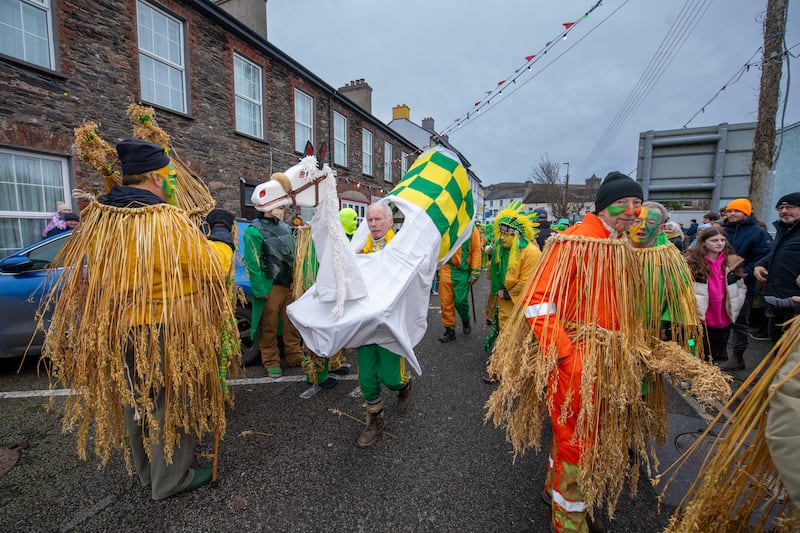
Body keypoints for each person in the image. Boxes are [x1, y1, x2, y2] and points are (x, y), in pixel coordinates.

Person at [41, 138, 237, 500]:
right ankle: (171, 480)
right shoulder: (162, 221)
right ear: (158, 179)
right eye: (171, 176)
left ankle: (148, 471)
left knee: (138, 399)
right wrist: (222, 233)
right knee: (171, 401)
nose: (174, 183)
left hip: (118, 326)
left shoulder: (101, 220)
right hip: (165, 326)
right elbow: (211, 267)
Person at [486, 171, 645, 532]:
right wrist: (565, 355)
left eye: (638, 204)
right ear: (604, 207)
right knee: (578, 440)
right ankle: (571, 521)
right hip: (577, 363)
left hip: (607, 361)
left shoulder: (617, 244)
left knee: (577, 434)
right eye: (625, 204)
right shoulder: (572, 243)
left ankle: (556, 493)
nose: (634, 211)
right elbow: (538, 302)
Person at [355, 202, 413, 448]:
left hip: (390, 323)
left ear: (390, 222)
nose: (373, 224)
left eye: (378, 219)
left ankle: (405, 384)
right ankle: (375, 420)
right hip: (365, 321)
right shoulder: (358, 248)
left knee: (391, 378)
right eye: (369, 220)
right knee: (367, 377)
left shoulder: (401, 249)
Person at [243, 183, 306, 378]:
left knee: (291, 323)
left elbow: (294, 254)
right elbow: (253, 263)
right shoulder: (253, 230)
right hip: (270, 285)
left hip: (289, 283)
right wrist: (260, 288)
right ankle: (270, 360)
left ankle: (294, 354)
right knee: (268, 325)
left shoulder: (286, 228)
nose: (283, 209)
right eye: (280, 206)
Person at [483, 202, 541, 382]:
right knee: (504, 334)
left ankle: (503, 368)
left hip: (521, 302)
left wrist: (508, 294)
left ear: (517, 234)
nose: (502, 237)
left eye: (506, 234)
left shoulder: (531, 252)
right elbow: (496, 271)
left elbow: (528, 280)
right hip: (504, 302)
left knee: (515, 335)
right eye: (501, 233)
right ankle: (504, 366)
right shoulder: (501, 247)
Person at [720, 198, 772, 371]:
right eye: (730, 211)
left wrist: (743, 274)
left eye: (737, 211)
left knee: (739, 320)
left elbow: (763, 258)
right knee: (719, 318)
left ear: (746, 213)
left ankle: (737, 357)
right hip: (719, 280)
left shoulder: (757, 232)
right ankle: (719, 352)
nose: (732, 214)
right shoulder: (722, 230)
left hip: (743, 282)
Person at [686, 228, 746, 362]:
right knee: (692, 344)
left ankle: (708, 371)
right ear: (704, 243)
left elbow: (740, 285)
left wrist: (737, 302)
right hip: (700, 317)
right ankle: (691, 370)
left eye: (722, 240)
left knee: (714, 351)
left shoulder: (732, 262)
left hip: (722, 317)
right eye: (714, 240)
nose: (719, 243)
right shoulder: (692, 263)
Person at [754, 193, 800, 340]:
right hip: (777, 296)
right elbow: (777, 252)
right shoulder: (784, 229)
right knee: (777, 343)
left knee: (792, 349)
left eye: (789, 207)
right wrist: (761, 264)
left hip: (796, 298)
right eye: (781, 208)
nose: (784, 211)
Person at [437, 224, 481, 342]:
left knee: (460, 301)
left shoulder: (472, 228)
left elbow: (476, 249)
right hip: (446, 268)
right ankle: (449, 329)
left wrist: (475, 271)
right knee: (445, 301)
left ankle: (465, 320)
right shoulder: (447, 224)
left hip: (462, 270)